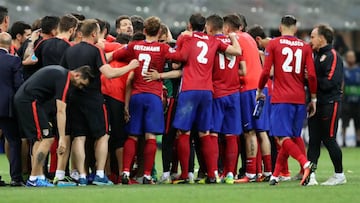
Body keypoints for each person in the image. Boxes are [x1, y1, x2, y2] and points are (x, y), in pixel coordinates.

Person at [60, 19, 139, 186]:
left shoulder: (70, 51)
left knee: (79, 137)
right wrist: (130, 66)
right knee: (103, 136)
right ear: (94, 34)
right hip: (94, 99)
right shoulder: (96, 51)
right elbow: (109, 73)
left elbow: (63, 74)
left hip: (73, 99)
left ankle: (81, 176)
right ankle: (100, 175)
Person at [169, 13, 241, 184]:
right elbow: (237, 51)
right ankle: (212, 174)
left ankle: (186, 175)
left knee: (183, 132)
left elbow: (179, 60)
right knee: (205, 132)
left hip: (189, 90)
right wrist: (232, 37)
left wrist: (169, 49)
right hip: (207, 91)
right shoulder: (214, 41)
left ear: (189, 25)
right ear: (205, 27)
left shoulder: (187, 38)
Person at [256, 15, 317, 186]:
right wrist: (313, 98)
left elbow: (266, 71)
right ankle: (277, 175)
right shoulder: (305, 47)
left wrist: (259, 90)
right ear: (295, 29)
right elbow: (311, 75)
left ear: (280, 27)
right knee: (294, 137)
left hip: (281, 98)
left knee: (282, 138)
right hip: (299, 98)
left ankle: (306, 165)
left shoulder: (274, 44)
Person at [14, 65, 93, 187]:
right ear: (77, 75)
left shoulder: (59, 72)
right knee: (48, 138)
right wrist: (62, 138)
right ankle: (33, 178)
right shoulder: (65, 78)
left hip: (26, 100)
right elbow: (61, 110)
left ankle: (38, 176)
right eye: (81, 84)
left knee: (39, 139)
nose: (79, 87)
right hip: (30, 101)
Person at [222, 14, 272, 183]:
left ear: (227, 28)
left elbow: (242, 70)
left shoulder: (235, 39)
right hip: (260, 87)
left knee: (249, 132)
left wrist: (226, 74)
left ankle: (250, 174)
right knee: (262, 132)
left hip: (247, 89)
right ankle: (267, 172)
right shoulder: (249, 38)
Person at [205, 14, 242, 184]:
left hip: (217, 92)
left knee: (213, 133)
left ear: (210, 27)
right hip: (234, 93)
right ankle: (230, 174)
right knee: (231, 135)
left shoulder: (211, 42)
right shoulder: (234, 42)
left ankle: (213, 173)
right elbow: (242, 66)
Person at [307, 24, 346, 186]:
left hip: (330, 103)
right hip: (316, 103)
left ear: (322, 38)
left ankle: (339, 174)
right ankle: (311, 175)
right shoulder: (316, 55)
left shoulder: (332, 55)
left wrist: (311, 78)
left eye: (312, 36)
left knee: (329, 139)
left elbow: (331, 82)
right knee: (314, 140)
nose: (310, 40)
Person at [0, 32, 24, 186]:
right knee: (14, 141)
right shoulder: (14, 61)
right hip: (6, 107)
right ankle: (16, 178)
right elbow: (18, 85)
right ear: (10, 45)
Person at [341, 50, 360, 147]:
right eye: (349, 57)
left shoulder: (358, 70)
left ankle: (358, 141)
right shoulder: (343, 70)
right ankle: (343, 141)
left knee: (358, 122)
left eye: (352, 57)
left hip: (357, 101)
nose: (351, 58)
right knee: (345, 122)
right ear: (346, 58)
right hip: (346, 101)